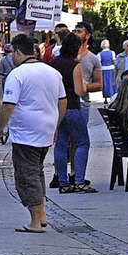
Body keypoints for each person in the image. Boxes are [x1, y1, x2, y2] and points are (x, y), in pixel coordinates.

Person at [0, 33, 66, 233]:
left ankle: (35, 220)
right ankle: (41, 215)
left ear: (17, 52)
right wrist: (56, 124)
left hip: (26, 132)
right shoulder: (52, 72)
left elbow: (8, 105)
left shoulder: (18, 74)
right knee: (37, 171)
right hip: (47, 129)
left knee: (27, 175)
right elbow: (63, 101)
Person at [50, 33, 96, 193]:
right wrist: (85, 85)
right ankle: (79, 180)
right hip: (72, 107)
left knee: (61, 144)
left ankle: (62, 181)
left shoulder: (53, 63)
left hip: (57, 108)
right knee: (82, 143)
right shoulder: (75, 65)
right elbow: (79, 90)